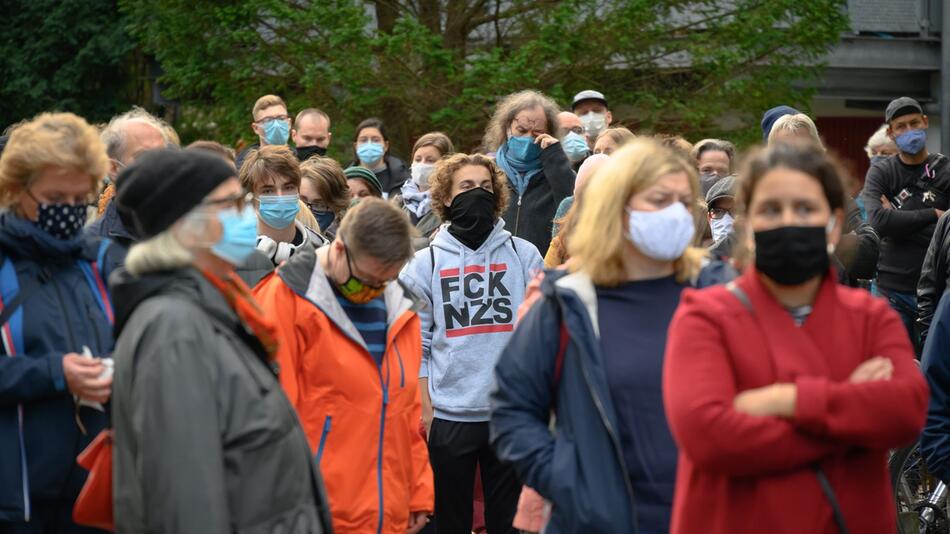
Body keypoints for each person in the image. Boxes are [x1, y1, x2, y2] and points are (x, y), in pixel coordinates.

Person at [663, 142, 928, 534]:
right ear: (746, 225)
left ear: (835, 225)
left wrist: (783, 400)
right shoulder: (704, 317)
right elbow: (709, 436)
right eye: (771, 209)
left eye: (805, 208)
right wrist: (848, 405)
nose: (788, 220)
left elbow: (905, 414)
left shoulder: (870, 318)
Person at [491, 139, 732, 533]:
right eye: (658, 199)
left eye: (683, 202)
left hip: (708, 517)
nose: (674, 212)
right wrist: (568, 484)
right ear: (616, 208)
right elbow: (513, 409)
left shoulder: (721, 292)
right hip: (594, 521)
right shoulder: (566, 298)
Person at [109, 148, 332, 533]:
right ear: (187, 225)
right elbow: (186, 498)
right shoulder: (175, 329)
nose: (246, 215)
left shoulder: (211, 308)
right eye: (230, 204)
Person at [254, 199, 434, 534]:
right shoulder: (285, 300)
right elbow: (269, 421)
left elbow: (405, 415)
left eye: (384, 281)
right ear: (338, 248)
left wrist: (417, 493)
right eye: (365, 279)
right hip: (314, 513)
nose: (372, 291)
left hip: (387, 513)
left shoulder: (401, 308)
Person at [400, 153, 542, 534]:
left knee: (509, 525)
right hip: (449, 416)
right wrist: (427, 413)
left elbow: (540, 337)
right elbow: (418, 345)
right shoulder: (424, 264)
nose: (476, 193)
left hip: (509, 415)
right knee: (450, 523)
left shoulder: (524, 255)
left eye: (484, 186)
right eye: (466, 187)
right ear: (445, 197)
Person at [0, 112, 120, 532]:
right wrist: (55, 372)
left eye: (79, 200)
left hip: (94, 497)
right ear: (16, 190)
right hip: (17, 502)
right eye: (55, 199)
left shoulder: (97, 262)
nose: (68, 212)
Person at [862, 96, 950, 342]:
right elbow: (879, 222)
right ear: (890, 132)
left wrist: (897, 218)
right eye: (901, 126)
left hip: (936, 293)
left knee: (935, 372)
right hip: (891, 291)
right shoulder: (881, 172)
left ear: (924, 122)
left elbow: (948, 235)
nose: (909, 131)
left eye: (914, 123)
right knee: (892, 370)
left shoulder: (945, 170)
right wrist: (933, 215)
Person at [485, 90, 575, 257]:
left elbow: (573, 209)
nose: (527, 138)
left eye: (536, 133)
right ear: (507, 128)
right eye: (521, 130)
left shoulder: (557, 173)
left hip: (542, 270)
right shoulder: (487, 172)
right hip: (496, 273)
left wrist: (556, 160)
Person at [238, 145, 325, 287]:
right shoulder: (231, 254)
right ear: (252, 198)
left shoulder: (320, 251)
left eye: (288, 187)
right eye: (268, 191)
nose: (280, 197)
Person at [88, 108, 168, 255]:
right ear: (113, 168)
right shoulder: (95, 246)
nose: (158, 164)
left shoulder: (187, 228)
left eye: (162, 155)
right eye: (144, 156)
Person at [392, 132, 455, 251]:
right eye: (418, 159)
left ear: (446, 165)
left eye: (430, 160)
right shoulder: (398, 204)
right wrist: (427, 242)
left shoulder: (452, 205)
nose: (422, 165)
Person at [349, 118, 410, 198]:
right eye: (363, 140)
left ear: (386, 145)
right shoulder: (345, 180)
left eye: (375, 140)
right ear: (355, 146)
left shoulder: (403, 181)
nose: (369, 144)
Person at [235, 94, 292, 170]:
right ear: (255, 128)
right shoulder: (243, 168)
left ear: (289, 123)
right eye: (268, 120)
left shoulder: (302, 161)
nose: (276, 125)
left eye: (281, 118)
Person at [300, 156, 350, 239]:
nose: (308, 212)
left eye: (320, 205)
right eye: (301, 202)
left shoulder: (341, 249)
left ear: (337, 209)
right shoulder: (274, 247)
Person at [706, 175, 737, 260]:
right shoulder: (703, 266)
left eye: (735, 211)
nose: (726, 220)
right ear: (709, 219)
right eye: (717, 211)